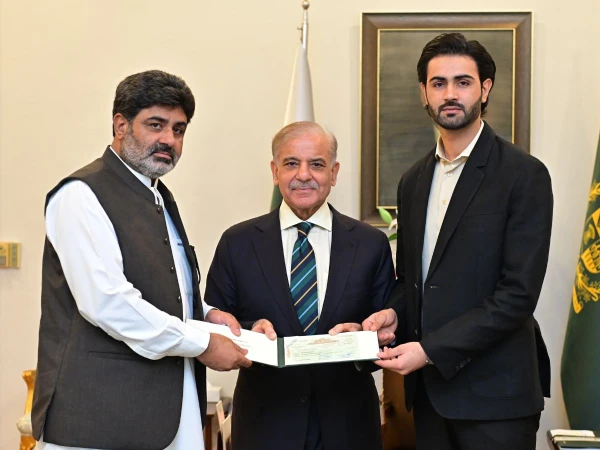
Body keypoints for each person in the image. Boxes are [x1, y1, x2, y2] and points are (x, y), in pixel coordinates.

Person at [31, 70, 252, 450]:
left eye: (179, 130)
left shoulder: (158, 196)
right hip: (99, 416)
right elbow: (107, 302)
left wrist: (207, 314)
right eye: (156, 125)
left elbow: (163, 287)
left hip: (166, 411)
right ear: (120, 124)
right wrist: (202, 342)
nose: (169, 140)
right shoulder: (81, 194)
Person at [364, 33, 553, 450]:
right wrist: (393, 314)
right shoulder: (413, 181)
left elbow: (517, 295)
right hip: (429, 398)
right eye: (438, 83)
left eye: (462, 82)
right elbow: (413, 281)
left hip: (497, 399)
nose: (450, 94)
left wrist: (429, 350)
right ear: (424, 93)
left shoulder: (524, 175)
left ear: (485, 89)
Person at [204, 121, 395, 450]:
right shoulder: (237, 243)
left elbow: (390, 333)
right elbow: (214, 328)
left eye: (316, 164)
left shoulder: (370, 244)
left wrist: (363, 337)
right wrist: (250, 332)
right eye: (291, 163)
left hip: (349, 428)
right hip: (266, 426)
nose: (303, 175)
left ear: (334, 173)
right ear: (274, 171)